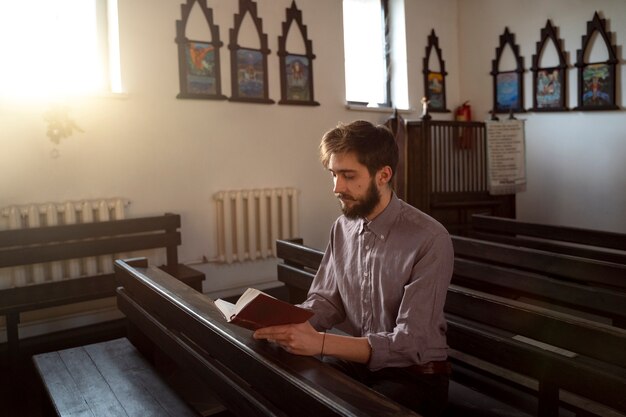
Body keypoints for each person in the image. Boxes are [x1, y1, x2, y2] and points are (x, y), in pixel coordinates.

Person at [253, 120, 454, 416]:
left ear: (383, 175)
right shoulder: (343, 226)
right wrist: (288, 324)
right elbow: (327, 301)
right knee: (287, 388)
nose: (337, 187)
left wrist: (319, 342)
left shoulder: (429, 238)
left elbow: (410, 342)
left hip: (415, 373)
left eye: (348, 176)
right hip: (357, 361)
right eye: (333, 175)